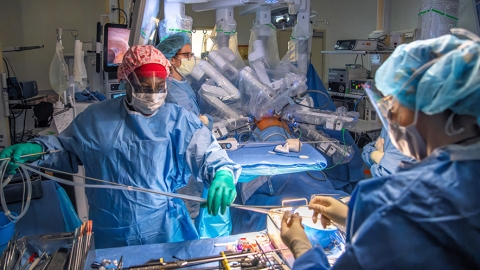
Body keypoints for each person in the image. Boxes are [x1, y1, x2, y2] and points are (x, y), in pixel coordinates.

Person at [0, 45, 241, 249]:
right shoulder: (95, 119)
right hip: (111, 230)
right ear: (126, 80)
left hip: (163, 228)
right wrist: (35, 151)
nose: (153, 93)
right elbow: (65, 150)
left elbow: (208, 153)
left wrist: (222, 174)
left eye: (160, 87)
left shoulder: (178, 120)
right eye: (145, 86)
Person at [280, 29, 480, 269]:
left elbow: (408, 225)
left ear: (436, 109)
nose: (391, 114)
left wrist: (301, 247)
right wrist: (353, 217)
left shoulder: (407, 201)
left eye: (397, 102)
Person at [156, 33, 213, 130]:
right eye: (186, 55)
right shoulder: (173, 93)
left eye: (191, 54)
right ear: (172, 59)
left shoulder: (181, 81)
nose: (190, 58)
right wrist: (206, 120)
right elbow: (190, 128)